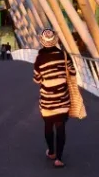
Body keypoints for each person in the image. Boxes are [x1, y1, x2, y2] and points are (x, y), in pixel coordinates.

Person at [32, 28, 75, 168]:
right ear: (55, 41)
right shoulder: (64, 55)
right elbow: (72, 72)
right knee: (60, 126)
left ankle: (51, 152)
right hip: (62, 98)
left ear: (42, 42)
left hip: (47, 99)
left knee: (48, 125)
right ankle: (59, 159)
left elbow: (37, 79)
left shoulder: (39, 59)